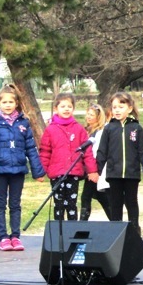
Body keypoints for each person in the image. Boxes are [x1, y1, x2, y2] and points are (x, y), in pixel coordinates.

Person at [0, 85, 45, 252]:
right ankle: (3, 236)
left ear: (16, 103)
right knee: (0, 204)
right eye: (4, 102)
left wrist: (38, 171)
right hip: (0, 170)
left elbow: (31, 148)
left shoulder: (23, 123)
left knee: (15, 204)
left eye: (11, 102)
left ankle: (15, 236)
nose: (8, 105)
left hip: (18, 170)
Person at [40, 92, 99, 221]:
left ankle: (72, 230)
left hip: (73, 173)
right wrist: (41, 171)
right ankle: (59, 232)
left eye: (69, 106)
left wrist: (92, 170)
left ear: (73, 108)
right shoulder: (50, 129)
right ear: (56, 108)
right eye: (63, 106)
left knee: (72, 205)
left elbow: (87, 152)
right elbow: (45, 152)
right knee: (59, 205)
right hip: (57, 173)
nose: (66, 109)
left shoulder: (79, 129)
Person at [96, 92, 143, 235]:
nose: (117, 110)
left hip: (131, 174)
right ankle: (116, 232)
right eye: (114, 107)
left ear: (129, 108)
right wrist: (96, 170)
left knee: (131, 202)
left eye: (121, 106)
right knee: (115, 203)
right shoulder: (109, 128)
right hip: (114, 174)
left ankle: (134, 231)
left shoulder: (136, 128)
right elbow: (102, 151)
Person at [79, 104, 111, 221]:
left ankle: (82, 224)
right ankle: (115, 221)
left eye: (91, 115)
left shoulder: (101, 131)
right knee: (100, 196)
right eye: (88, 114)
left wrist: (94, 170)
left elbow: (97, 151)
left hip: (96, 168)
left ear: (98, 117)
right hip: (88, 168)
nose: (88, 117)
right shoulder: (87, 130)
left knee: (86, 196)